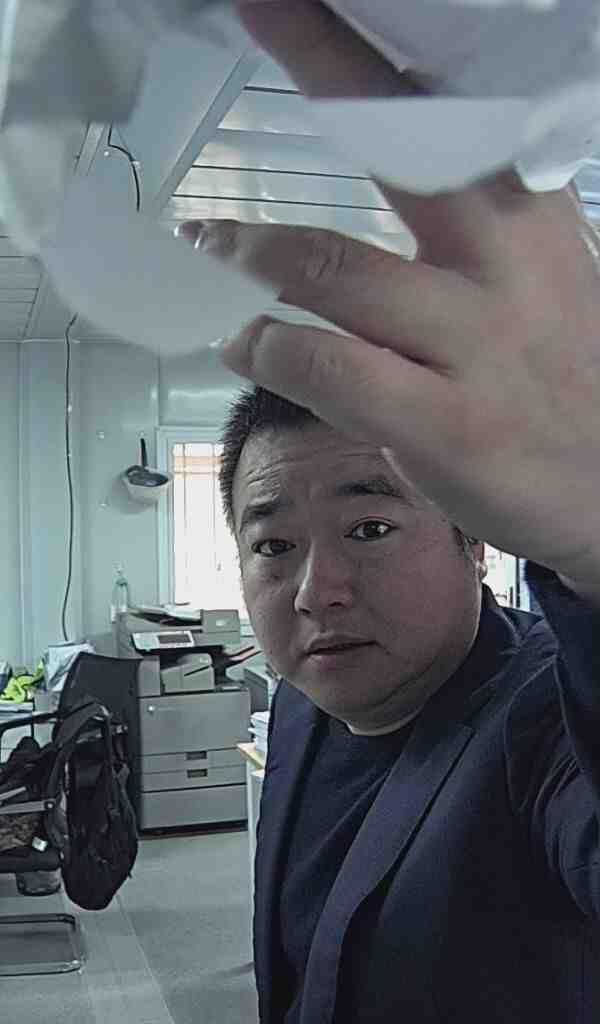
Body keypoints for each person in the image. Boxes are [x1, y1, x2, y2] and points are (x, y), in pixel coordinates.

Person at [178, 2, 600, 1019]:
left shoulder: (543, 729)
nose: (317, 590)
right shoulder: (304, 705)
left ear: (472, 539)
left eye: (369, 527)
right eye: (273, 543)